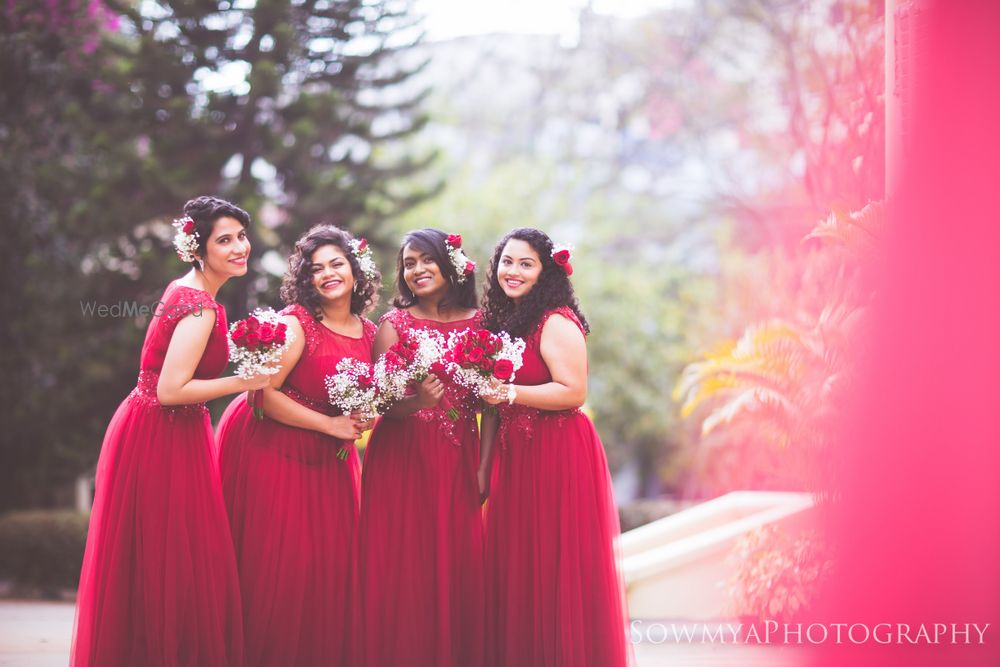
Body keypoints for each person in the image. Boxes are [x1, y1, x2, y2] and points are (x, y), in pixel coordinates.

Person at [71, 195, 263, 667]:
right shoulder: (200, 307)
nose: (239, 247)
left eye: (241, 236)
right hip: (162, 434)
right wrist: (249, 380)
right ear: (197, 247)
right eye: (225, 240)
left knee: (160, 564)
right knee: (170, 564)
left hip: (157, 429)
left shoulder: (189, 290)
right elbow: (171, 390)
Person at [215, 224, 379, 666]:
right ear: (305, 279)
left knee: (327, 574)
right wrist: (330, 426)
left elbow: (374, 395)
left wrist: (364, 416)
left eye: (336, 264)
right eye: (316, 268)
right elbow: (261, 394)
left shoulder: (370, 332)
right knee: (278, 572)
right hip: (272, 448)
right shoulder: (296, 324)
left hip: (330, 461)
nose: (327, 274)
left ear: (355, 269)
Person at [480, 227, 630, 667]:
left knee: (553, 572)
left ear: (545, 271)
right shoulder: (509, 321)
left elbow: (572, 391)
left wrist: (507, 393)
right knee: (520, 571)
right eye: (507, 261)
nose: (513, 271)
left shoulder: (555, 319)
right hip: (517, 456)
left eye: (526, 263)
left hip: (556, 453)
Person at [358, 228, 484, 667]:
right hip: (402, 458)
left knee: (459, 564)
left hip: (458, 459)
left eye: (425, 260)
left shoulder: (481, 323)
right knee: (404, 567)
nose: (417, 270)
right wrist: (417, 403)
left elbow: (495, 403)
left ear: (451, 264)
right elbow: (380, 403)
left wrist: (485, 466)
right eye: (408, 264)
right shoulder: (393, 325)